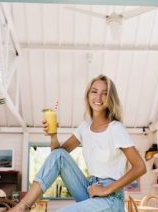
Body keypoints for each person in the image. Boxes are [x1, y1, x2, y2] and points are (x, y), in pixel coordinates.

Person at [9, 74, 146, 212]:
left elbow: (140, 167)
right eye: (94, 91)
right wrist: (53, 135)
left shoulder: (115, 128)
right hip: (91, 190)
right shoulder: (84, 128)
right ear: (88, 95)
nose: (98, 98)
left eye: (104, 94)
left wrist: (106, 190)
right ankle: (23, 206)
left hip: (111, 198)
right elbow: (57, 157)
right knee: (60, 155)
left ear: (110, 98)